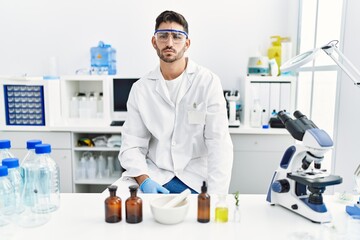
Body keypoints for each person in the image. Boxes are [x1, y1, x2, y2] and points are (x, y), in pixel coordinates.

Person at [119, 10, 233, 194]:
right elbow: (132, 144)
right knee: (117, 209)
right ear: (154, 42)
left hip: (196, 177)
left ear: (187, 43)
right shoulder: (141, 89)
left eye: (177, 37)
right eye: (163, 36)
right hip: (155, 175)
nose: (169, 43)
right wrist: (144, 180)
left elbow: (218, 143)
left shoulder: (207, 82)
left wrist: (216, 197)